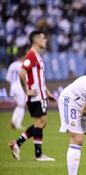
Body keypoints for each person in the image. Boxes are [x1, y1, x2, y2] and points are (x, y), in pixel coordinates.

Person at [9, 30, 56, 161]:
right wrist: (26, 90)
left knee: (42, 123)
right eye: (43, 38)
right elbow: (22, 73)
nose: (45, 40)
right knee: (39, 123)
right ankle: (38, 154)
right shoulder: (31, 55)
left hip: (40, 95)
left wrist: (47, 92)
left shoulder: (37, 56)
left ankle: (17, 143)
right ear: (36, 40)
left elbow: (38, 78)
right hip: (35, 96)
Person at [5, 54, 26, 130]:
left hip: (13, 86)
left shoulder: (12, 65)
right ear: (22, 57)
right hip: (20, 87)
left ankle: (14, 121)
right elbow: (24, 78)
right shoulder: (23, 65)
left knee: (19, 105)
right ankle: (17, 124)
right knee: (22, 105)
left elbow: (8, 78)